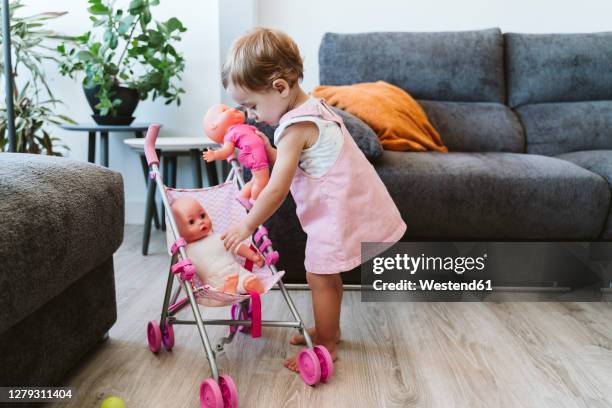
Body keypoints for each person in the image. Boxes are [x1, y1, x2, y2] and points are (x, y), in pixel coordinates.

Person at [219, 27, 406, 372]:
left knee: (318, 274)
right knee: (328, 275)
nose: (252, 115)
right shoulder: (313, 109)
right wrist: (268, 151)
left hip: (334, 213)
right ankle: (328, 329)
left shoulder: (294, 127)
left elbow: (277, 188)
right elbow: (302, 159)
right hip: (346, 205)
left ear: (279, 87)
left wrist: (248, 224)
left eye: (252, 105)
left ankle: (326, 343)